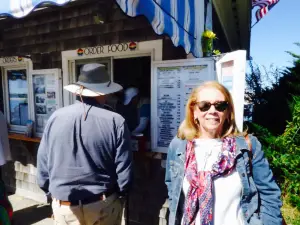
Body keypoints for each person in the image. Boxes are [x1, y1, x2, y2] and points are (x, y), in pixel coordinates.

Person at [165, 81, 282, 225]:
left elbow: (270, 195)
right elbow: (173, 191)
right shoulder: (178, 146)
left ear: (227, 113)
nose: (212, 110)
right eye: (204, 106)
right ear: (194, 111)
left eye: (220, 106)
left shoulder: (247, 146)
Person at [37, 63, 133, 225]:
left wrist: (50, 192)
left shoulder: (55, 118)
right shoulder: (116, 121)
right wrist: (121, 194)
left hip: (64, 205)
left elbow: (43, 165)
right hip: (102, 204)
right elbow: (124, 171)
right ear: (101, 93)